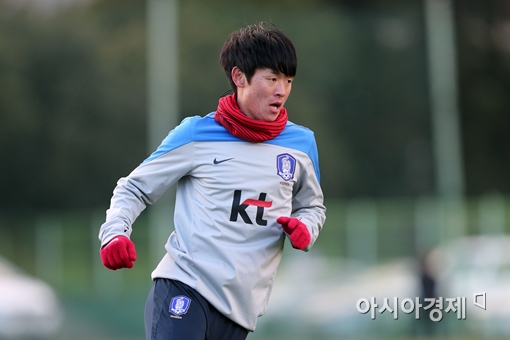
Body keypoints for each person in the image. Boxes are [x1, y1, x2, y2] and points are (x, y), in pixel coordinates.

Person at [98, 22, 326, 340]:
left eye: (288, 81)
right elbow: (134, 187)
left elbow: (313, 206)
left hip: (242, 310)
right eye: (272, 78)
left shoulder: (301, 144)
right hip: (186, 286)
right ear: (238, 77)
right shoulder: (196, 134)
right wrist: (114, 235)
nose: (281, 91)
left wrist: (306, 228)